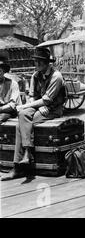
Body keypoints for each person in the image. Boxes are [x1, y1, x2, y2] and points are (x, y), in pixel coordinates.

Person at [2, 47, 65, 181]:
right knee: (23, 115)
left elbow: (47, 100)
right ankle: (26, 154)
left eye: (39, 62)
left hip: (52, 109)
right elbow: (31, 96)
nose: (36, 64)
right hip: (39, 107)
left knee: (21, 124)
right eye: (35, 61)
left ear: (47, 63)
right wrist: (31, 106)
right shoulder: (35, 75)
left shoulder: (56, 77)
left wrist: (26, 106)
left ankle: (20, 163)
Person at [0, 52, 21, 123]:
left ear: (4, 71)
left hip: (9, 111)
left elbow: (12, 105)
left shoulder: (12, 84)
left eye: (0, 70)